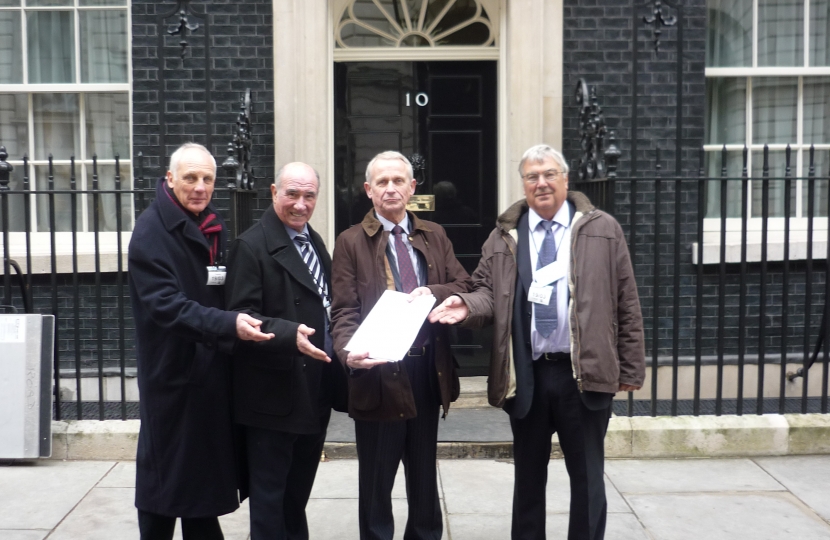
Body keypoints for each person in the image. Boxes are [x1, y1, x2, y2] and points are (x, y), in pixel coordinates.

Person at [428, 144, 645, 540]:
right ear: (524, 184)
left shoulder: (602, 229)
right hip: (527, 372)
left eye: (549, 174)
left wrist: (630, 368)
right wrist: (464, 304)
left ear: (565, 179)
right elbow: (485, 290)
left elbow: (626, 301)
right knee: (528, 478)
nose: (541, 183)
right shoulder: (504, 236)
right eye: (532, 176)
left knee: (588, 478)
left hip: (582, 373)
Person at [128, 142, 273, 540]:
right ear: (170, 179)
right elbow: (167, 307)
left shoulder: (211, 225)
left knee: (199, 485)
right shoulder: (150, 231)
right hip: (172, 376)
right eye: (190, 177)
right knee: (164, 484)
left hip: (210, 373)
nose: (200, 186)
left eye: (208, 179)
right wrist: (228, 325)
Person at [330, 151, 472, 540]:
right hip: (378, 373)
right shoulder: (349, 242)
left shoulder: (434, 235)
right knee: (377, 480)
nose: (390, 188)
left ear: (412, 188)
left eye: (398, 181)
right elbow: (343, 311)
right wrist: (348, 354)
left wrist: (433, 291)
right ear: (368, 191)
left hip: (427, 369)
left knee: (424, 476)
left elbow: (464, 286)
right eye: (382, 182)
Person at [225, 162, 347, 540]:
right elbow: (240, 317)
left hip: (314, 389)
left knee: (296, 497)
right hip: (273, 396)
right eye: (292, 194)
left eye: (309, 195)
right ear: (274, 192)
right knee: (269, 502)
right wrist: (288, 333)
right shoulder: (250, 245)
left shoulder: (314, 240)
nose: (300, 204)